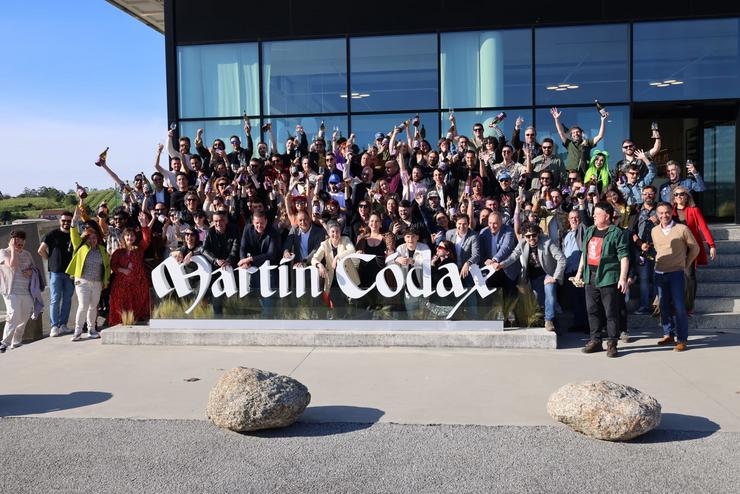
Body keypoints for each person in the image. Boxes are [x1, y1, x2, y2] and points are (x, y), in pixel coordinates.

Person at [573, 202, 630, 358]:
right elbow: (585, 253)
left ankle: (612, 343)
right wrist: (579, 272)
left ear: (607, 216)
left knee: (611, 312)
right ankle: (595, 340)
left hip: (608, 277)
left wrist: (623, 278)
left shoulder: (617, 233)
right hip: (590, 276)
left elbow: (624, 257)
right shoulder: (590, 230)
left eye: (597, 213)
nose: (593, 216)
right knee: (592, 310)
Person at [495, 223, 565, 331]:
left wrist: (554, 277)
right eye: (528, 236)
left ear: (538, 234)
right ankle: (556, 322)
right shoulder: (523, 243)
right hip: (534, 277)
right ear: (524, 236)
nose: (531, 238)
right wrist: (501, 264)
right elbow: (513, 256)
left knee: (550, 293)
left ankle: (549, 320)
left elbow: (562, 259)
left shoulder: (547, 242)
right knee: (541, 300)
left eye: (533, 235)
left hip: (548, 274)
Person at [652, 202, 700, 351]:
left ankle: (682, 339)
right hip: (659, 272)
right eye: (660, 213)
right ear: (657, 214)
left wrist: (686, 263)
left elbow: (695, 247)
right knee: (664, 305)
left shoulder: (682, 229)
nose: (664, 215)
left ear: (671, 212)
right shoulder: (654, 230)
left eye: (666, 212)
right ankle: (668, 333)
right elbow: (657, 249)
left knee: (679, 307)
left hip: (677, 273)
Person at [66, 209, 111, 341]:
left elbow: (106, 267)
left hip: (97, 282)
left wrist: (105, 281)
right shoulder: (80, 247)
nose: (93, 240)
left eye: (95, 237)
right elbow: (73, 234)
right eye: (90, 238)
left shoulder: (102, 250)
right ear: (85, 238)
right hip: (82, 281)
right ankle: (78, 331)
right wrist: (74, 221)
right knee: (83, 305)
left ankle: (92, 329)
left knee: (93, 307)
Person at [671, 186, 716, 313]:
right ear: (673, 198)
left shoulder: (694, 210)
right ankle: (676, 304)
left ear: (686, 196)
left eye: (681, 194)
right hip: (674, 249)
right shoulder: (670, 211)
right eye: (676, 195)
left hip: (690, 248)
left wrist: (711, 245)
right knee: (676, 276)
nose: (679, 197)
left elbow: (704, 228)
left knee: (689, 275)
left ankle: (688, 305)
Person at [109, 213, 151, 326]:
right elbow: (113, 265)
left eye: (132, 235)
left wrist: (144, 226)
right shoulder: (118, 252)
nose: (130, 238)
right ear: (123, 237)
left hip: (138, 282)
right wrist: (123, 270)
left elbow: (146, 240)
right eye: (127, 236)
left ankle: (135, 319)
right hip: (122, 283)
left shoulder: (139, 249)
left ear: (135, 237)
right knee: (122, 304)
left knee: (137, 303)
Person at [311, 222, 360, 318]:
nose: (335, 234)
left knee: (352, 306)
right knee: (338, 308)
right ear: (329, 233)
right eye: (332, 232)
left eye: (337, 231)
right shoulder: (324, 244)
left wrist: (337, 257)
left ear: (340, 232)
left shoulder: (345, 240)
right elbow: (314, 259)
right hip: (333, 281)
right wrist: (319, 265)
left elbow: (352, 250)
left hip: (348, 279)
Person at [0, 231, 39, 352]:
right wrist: (12, 249)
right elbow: (13, 265)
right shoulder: (4, 252)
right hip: (11, 290)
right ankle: (4, 342)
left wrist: (31, 272)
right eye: (17, 240)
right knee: (14, 314)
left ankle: (16, 341)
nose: (20, 242)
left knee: (24, 317)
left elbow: (35, 269)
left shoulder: (27, 254)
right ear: (11, 241)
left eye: (22, 240)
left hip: (26, 291)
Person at [38, 212, 75, 337]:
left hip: (70, 273)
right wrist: (51, 260)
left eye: (69, 221)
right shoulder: (52, 234)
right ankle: (54, 326)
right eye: (64, 220)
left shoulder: (74, 234)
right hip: (56, 272)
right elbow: (41, 250)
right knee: (55, 299)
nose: (66, 223)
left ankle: (63, 325)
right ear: (60, 220)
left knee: (67, 299)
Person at [238, 211, 281, 317]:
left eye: (262, 223)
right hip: (253, 268)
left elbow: (271, 255)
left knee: (268, 298)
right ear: (253, 222)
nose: (259, 225)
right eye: (257, 223)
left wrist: (250, 259)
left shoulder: (273, 232)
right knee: (253, 296)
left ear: (266, 221)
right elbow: (243, 248)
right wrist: (244, 260)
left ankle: (268, 321)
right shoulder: (247, 229)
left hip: (269, 269)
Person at [200, 210, 241, 316]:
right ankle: (217, 317)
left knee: (233, 295)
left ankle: (234, 316)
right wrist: (215, 260)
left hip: (231, 266)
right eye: (216, 221)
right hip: (216, 267)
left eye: (221, 220)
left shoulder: (234, 229)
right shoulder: (210, 232)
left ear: (226, 220)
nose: (218, 223)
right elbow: (204, 249)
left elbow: (236, 248)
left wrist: (229, 260)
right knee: (216, 296)